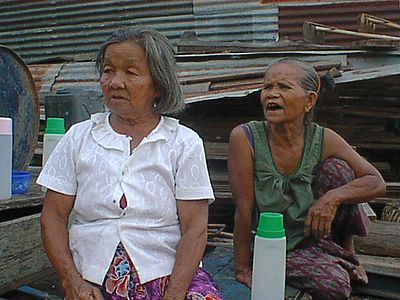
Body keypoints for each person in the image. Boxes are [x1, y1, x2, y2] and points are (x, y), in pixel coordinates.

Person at [38, 26, 223, 300]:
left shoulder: (183, 142)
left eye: (130, 72)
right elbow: (53, 216)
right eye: (108, 70)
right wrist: (73, 282)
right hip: (94, 278)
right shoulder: (79, 137)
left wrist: (174, 294)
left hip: (168, 274)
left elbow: (195, 228)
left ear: (158, 84)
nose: (114, 82)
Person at [228, 58, 386, 300]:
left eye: (284, 87)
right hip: (272, 245)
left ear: (309, 101)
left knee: (339, 170)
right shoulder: (246, 138)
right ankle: (337, 263)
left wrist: (332, 197)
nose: (272, 94)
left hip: (314, 239)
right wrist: (243, 269)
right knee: (334, 286)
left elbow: (375, 181)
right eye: (267, 87)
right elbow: (243, 209)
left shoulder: (323, 138)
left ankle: (345, 254)